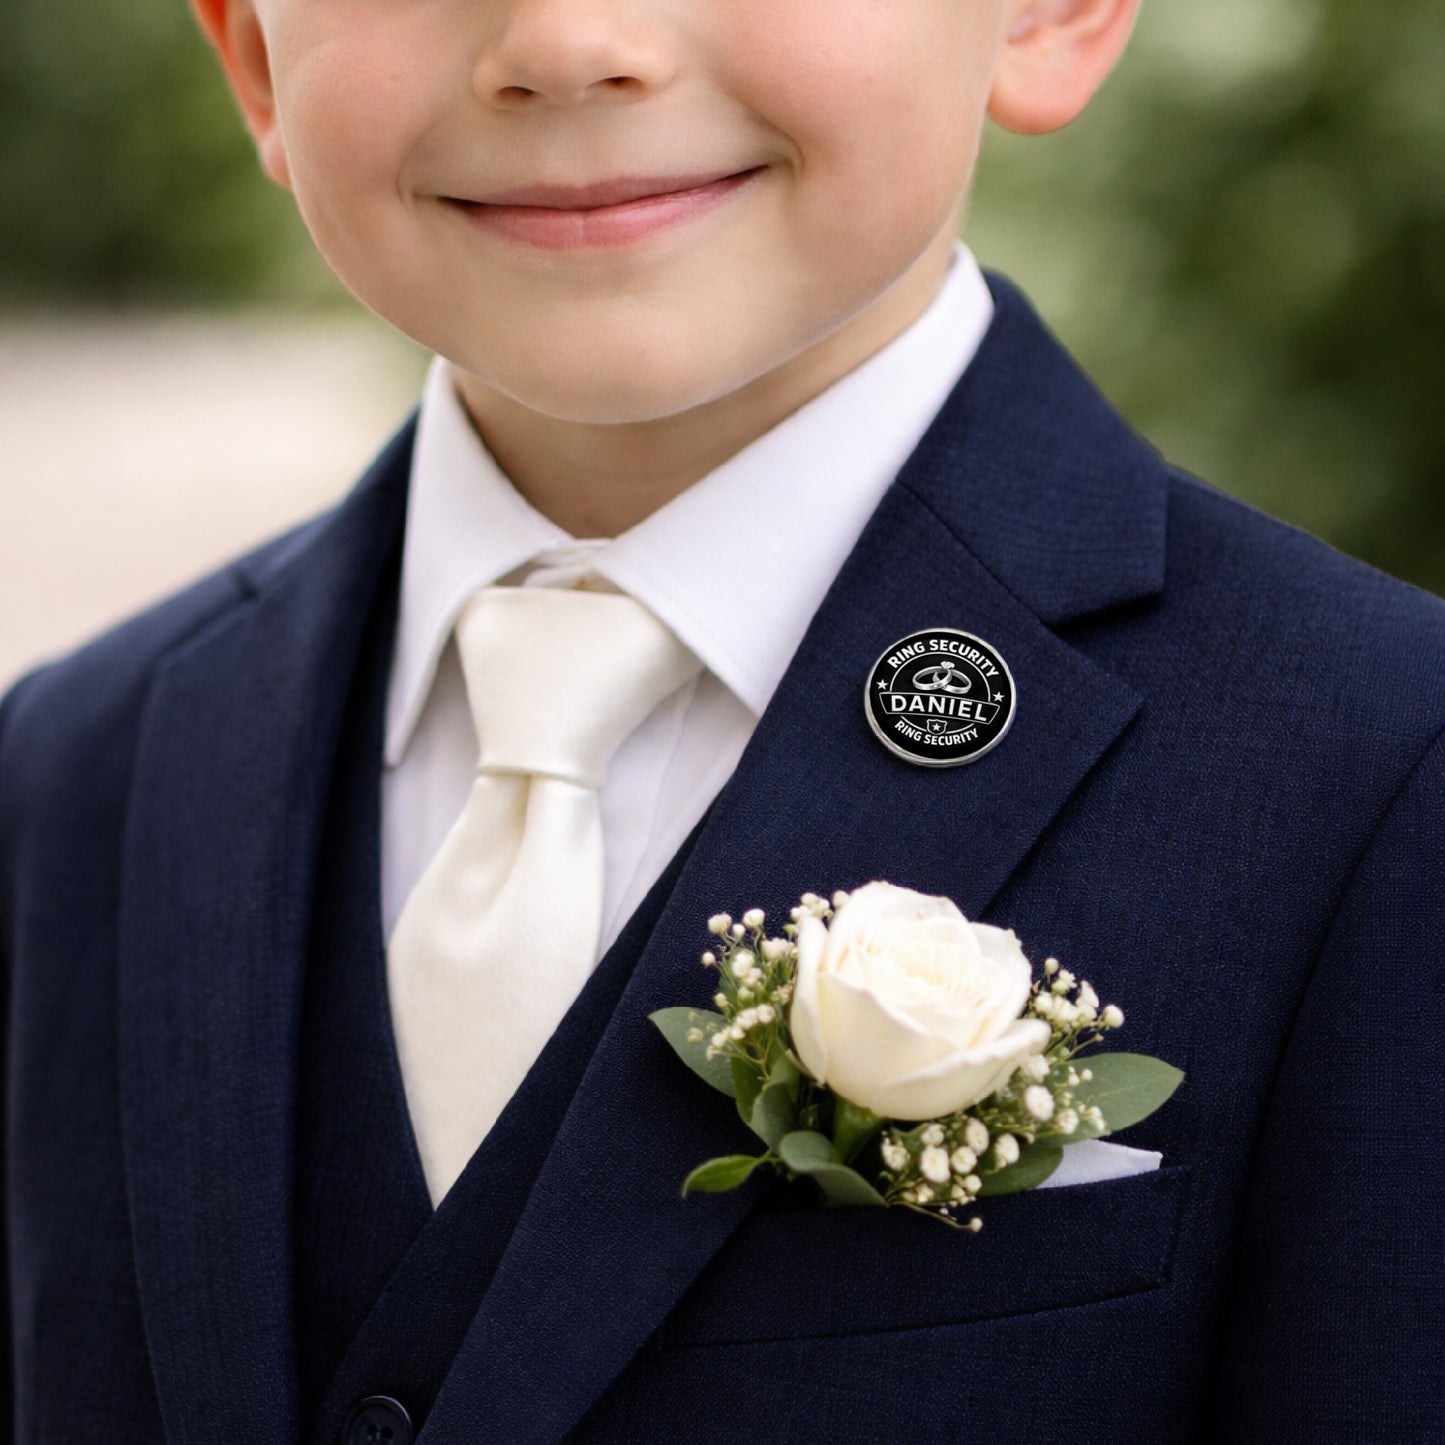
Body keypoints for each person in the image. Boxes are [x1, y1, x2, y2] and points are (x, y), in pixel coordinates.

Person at [0, 0, 1440, 1438]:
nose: (567, 42)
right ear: (251, 51)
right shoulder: (66, 776)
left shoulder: (1382, 772)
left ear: (1046, 16)